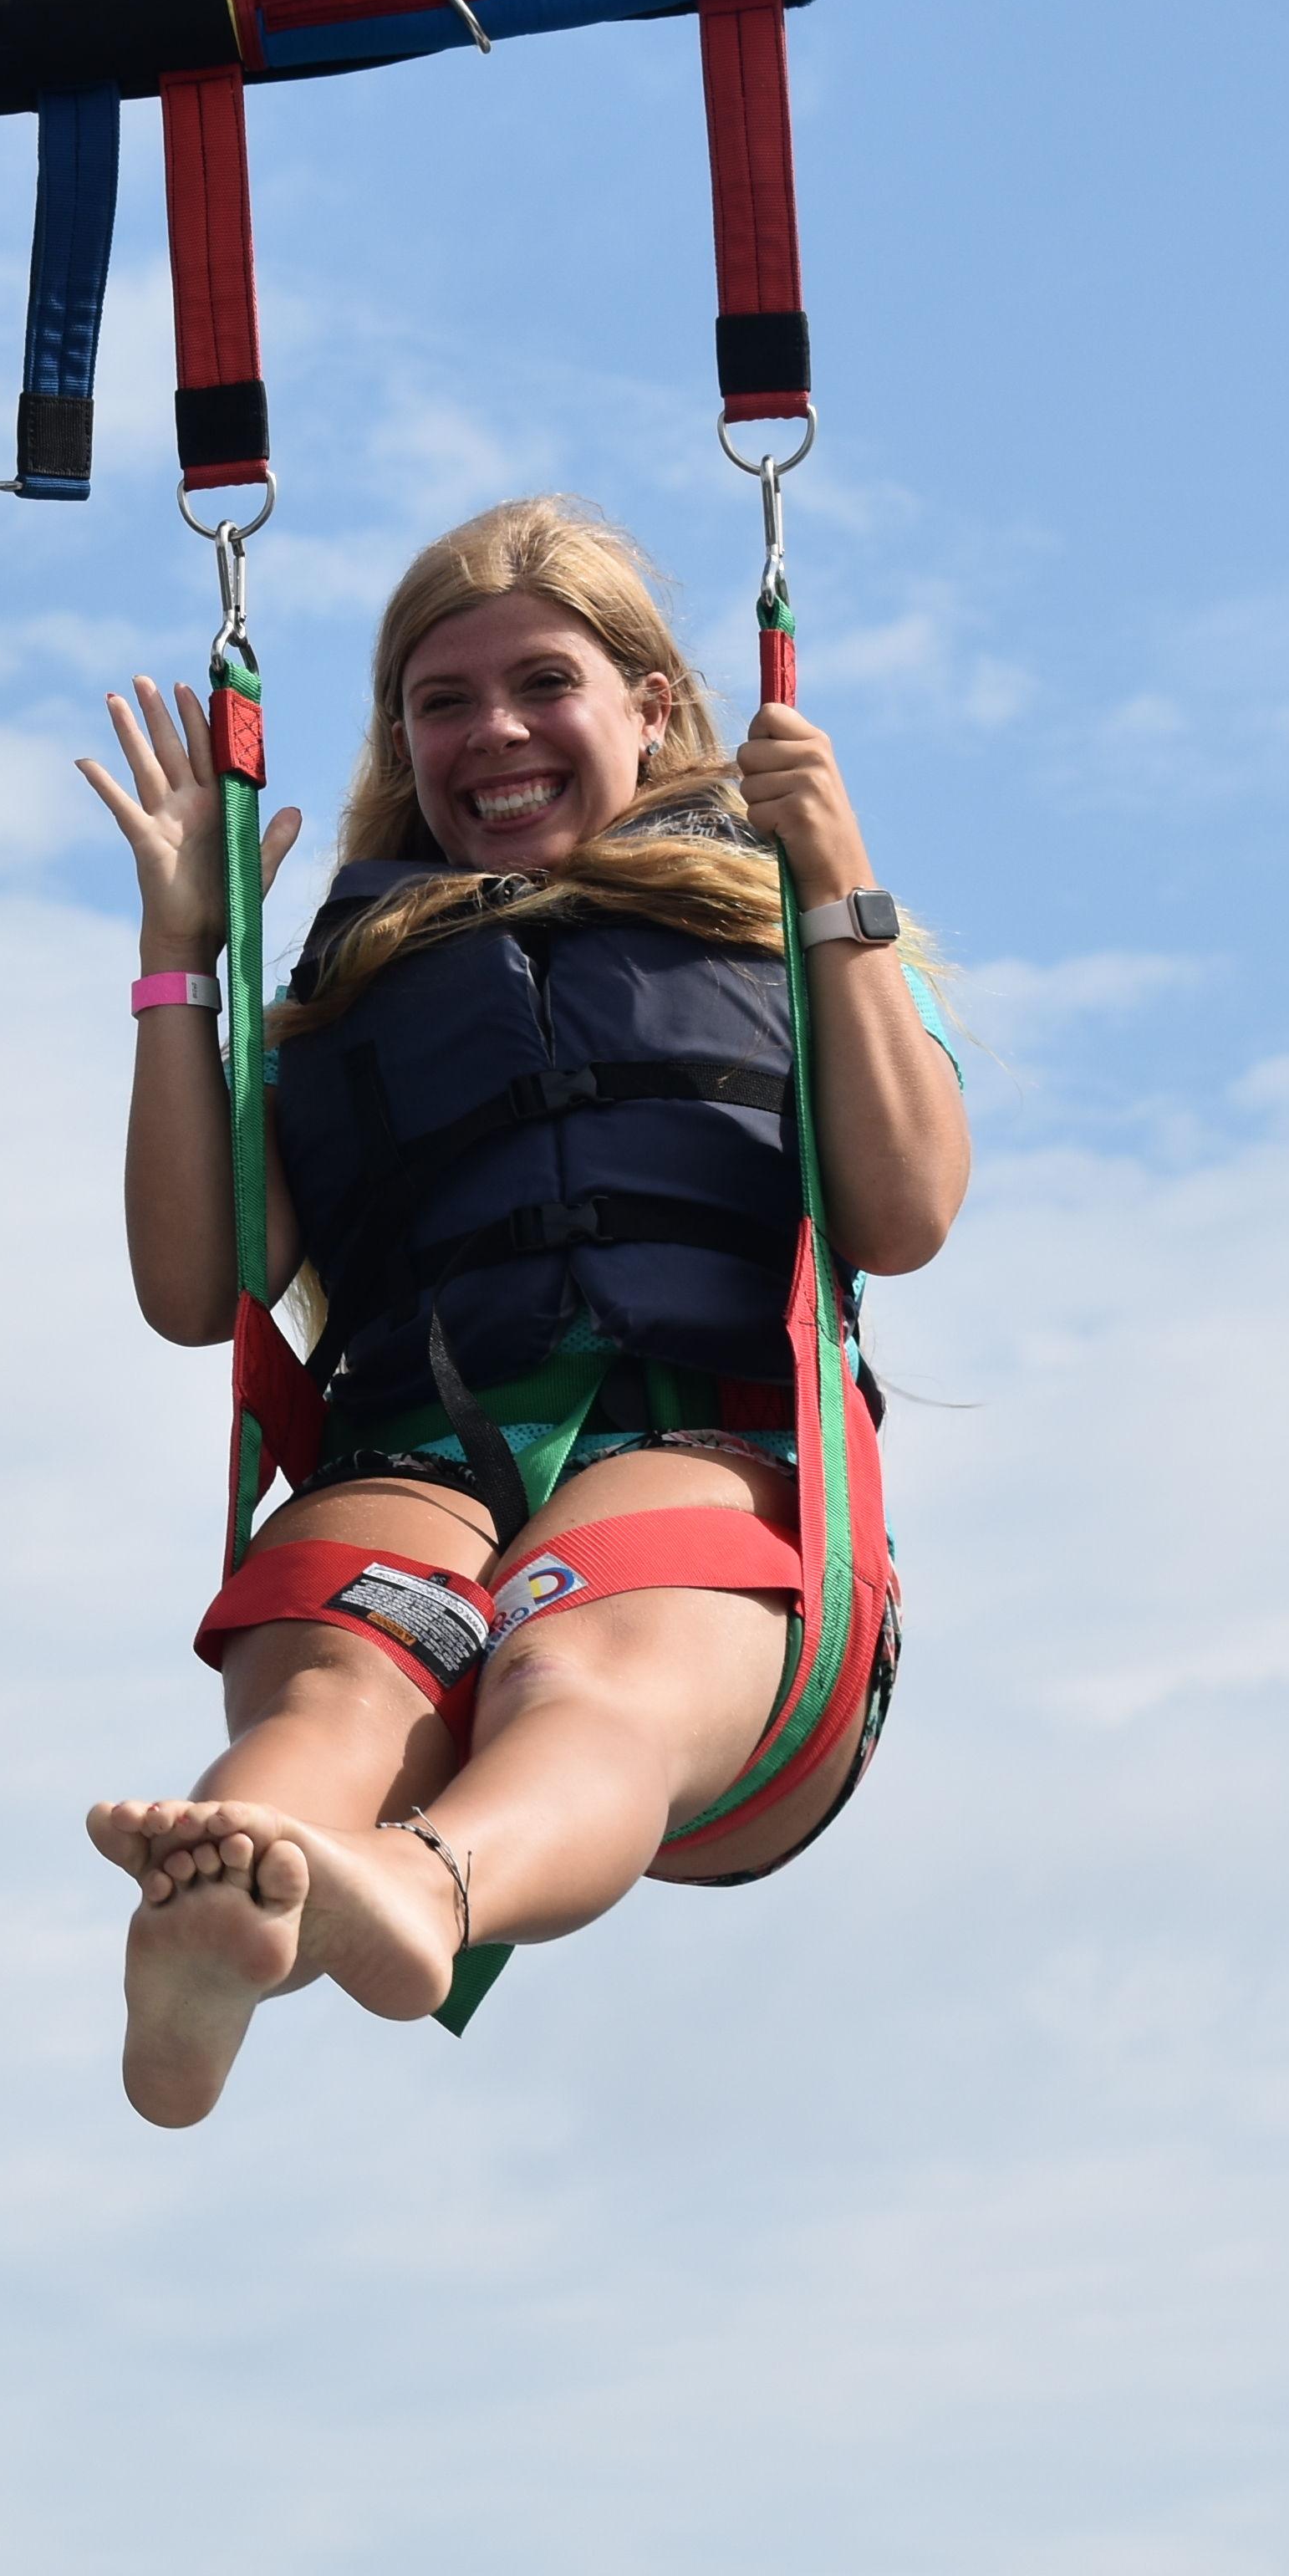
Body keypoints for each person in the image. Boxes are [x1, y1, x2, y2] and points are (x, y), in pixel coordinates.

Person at [76, 497, 969, 2126]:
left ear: (652, 705)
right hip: (418, 1454)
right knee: (344, 1679)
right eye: (441, 701)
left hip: (697, 1442)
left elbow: (904, 1214)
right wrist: (184, 963)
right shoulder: (347, 994)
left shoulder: (778, 936)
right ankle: (219, 1907)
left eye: (541, 682)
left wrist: (835, 881)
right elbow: (195, 1293)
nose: (492, 732)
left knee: (574, 1668)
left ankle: (424, 1881)